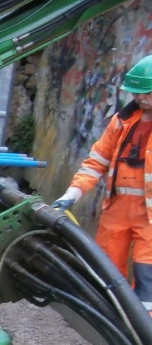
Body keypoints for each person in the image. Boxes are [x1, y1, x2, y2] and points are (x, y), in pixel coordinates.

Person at [53, 55, 152, 311]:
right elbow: (96, 162)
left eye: (146, 93)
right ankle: (111, 324)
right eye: (137, 93)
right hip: (117, 210)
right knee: (107, 273)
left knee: (147, 279)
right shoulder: (121, 122)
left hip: (149, 218)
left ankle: (144, 340)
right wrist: (72, 194)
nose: (140, 98)